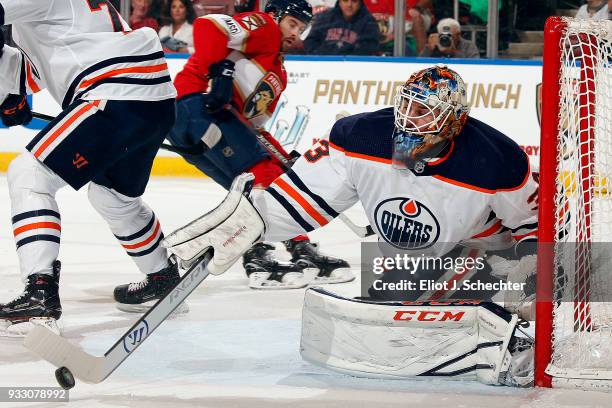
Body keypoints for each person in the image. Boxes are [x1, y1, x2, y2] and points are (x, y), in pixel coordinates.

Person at [162, 65, 539, 386]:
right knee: (382, 324)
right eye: (406, 103)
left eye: (423, 111)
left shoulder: (496, 160)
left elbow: (535, 223)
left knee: (418, 330)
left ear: (453, 119)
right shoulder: (359, 136)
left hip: (485, 254)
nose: (408, 116)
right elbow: (303, 200)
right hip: (412, 259)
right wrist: (250, 224)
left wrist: (530, 277)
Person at [116, 0, 351, 296]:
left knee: (261, 183)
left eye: (302, 29)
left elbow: (252, 128)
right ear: (276, 16)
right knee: (263, 177)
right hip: (197, 106)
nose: (296, 33)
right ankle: (259, 257)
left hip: (195, 122)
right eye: (292, 23)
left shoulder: (278, 70)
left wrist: (283, 156)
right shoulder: (265, 27)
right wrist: (221, 70)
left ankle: (297, 246)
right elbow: (209, 26)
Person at [0, 0, 176, 334]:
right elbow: (34, 69)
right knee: (112, 197)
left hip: (113, 92)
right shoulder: (39, 17)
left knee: (29, 175)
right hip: (152, 98)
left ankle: (40, 290)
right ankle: (162, 276)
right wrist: (12, 96)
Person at [303, 0, 380, 55]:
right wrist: (321, 57)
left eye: (354, 1)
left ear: (360, 3)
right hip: (324, 64)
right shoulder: (324, 18)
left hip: (354, 66)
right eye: (345, 0)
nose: (349, 5)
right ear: (339, 2)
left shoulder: (369, 22)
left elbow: (370, 47)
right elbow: (310, 42)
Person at [364, 0, 432, 55]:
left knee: (415, 16)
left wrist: (417, 8)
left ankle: (420, 57)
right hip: (380, 20)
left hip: (406, 17)